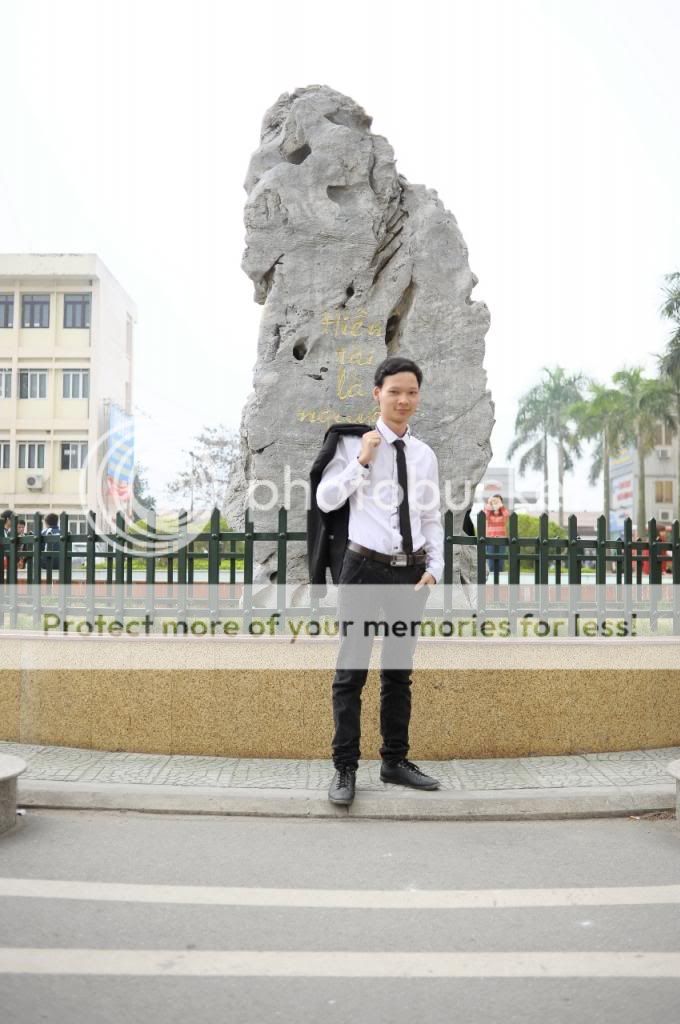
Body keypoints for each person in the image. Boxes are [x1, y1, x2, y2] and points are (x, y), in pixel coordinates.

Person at [315, 356, 444, 806]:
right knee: (351, 671)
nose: (403, 400)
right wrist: (361, 463)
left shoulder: (425, 454)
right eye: (394, 392)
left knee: (398, 673)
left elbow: (431, 515)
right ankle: (345, 767)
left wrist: (435, 567)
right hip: (363, 569)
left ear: (418, 396)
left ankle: (394, 761)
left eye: (411, 392)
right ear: (377, 394)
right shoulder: (353, 444)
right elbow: (326, 500)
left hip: (410, 574)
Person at [483, 494, 510, 577]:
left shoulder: (503, 512)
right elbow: (484, 516)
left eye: (497, 501)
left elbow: (507, 515)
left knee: (501, 560)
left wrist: (501, 506)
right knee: (490, 560)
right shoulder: (489, 512)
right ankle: (491, 577)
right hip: (490, 539)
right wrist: (489, 503)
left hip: (501, 539)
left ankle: (500, 577)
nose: (495, 502)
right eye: (494, 501)